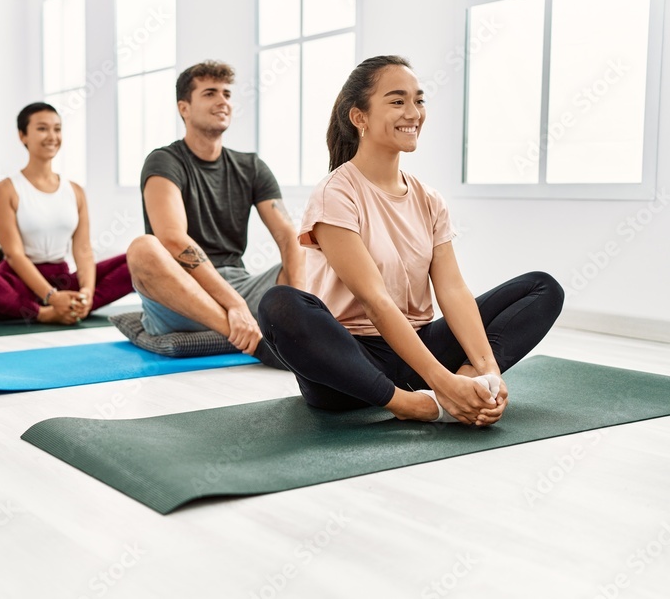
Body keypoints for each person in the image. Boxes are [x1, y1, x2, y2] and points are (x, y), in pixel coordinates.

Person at [257, 55, 564, 425]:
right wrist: (441, 384)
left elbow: (452, 290)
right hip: (352, 365)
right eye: (397, 101)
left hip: (419, 348)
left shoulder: (429, 199)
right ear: (360, 118)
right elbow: (375, 300)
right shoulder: (336, 194)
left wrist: (486, 372)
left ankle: (467, 384)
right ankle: (411, 404)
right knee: (279, 305)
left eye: (419, 101)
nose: (413, 113)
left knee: (542, 288)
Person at [125, 60, 304, 363]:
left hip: (242, 285)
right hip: (180, 296)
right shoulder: (163, 162)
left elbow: (288, 236)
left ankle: (269, 327)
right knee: (143, 249)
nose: (223, 101)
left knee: (314, 247)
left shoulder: (251, 166)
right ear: (184, 107)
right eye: (210, 93)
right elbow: (171, 239)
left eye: (227, 94)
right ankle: (257, 344)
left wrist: (300, 306)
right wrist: (234, 305)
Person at [0, 103, 133, 323]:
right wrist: (51, 298)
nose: (52, 136)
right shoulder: (5, 190)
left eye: (57, 129)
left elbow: (83, 250)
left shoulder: (75, 191)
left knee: (139, 258)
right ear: (22, 136)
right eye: (43, 129)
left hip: (63, 282)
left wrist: (87, 293)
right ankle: (42, 313)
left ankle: (77, 306)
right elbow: (14, 255)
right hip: (18, 287)